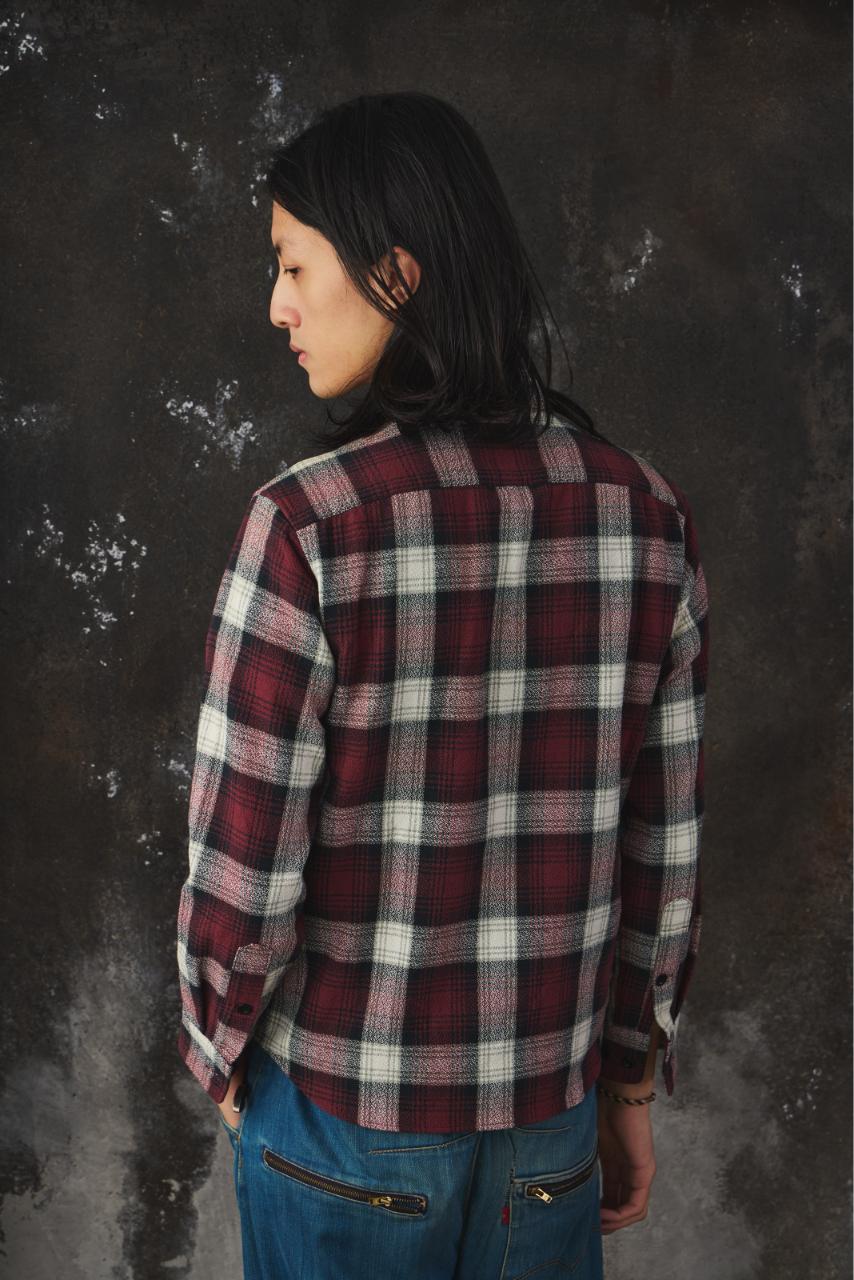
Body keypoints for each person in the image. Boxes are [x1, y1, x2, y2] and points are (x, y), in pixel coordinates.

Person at [175, 91, 710, 1279]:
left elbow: (243, 867)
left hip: (340, 1119)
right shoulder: (647, 517)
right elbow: (660, 853)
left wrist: (219, 1050)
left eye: (294, 266)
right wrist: (627, 1078)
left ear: (396, 275)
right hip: (548, 1120)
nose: (275, 305)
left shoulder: (305, 527)